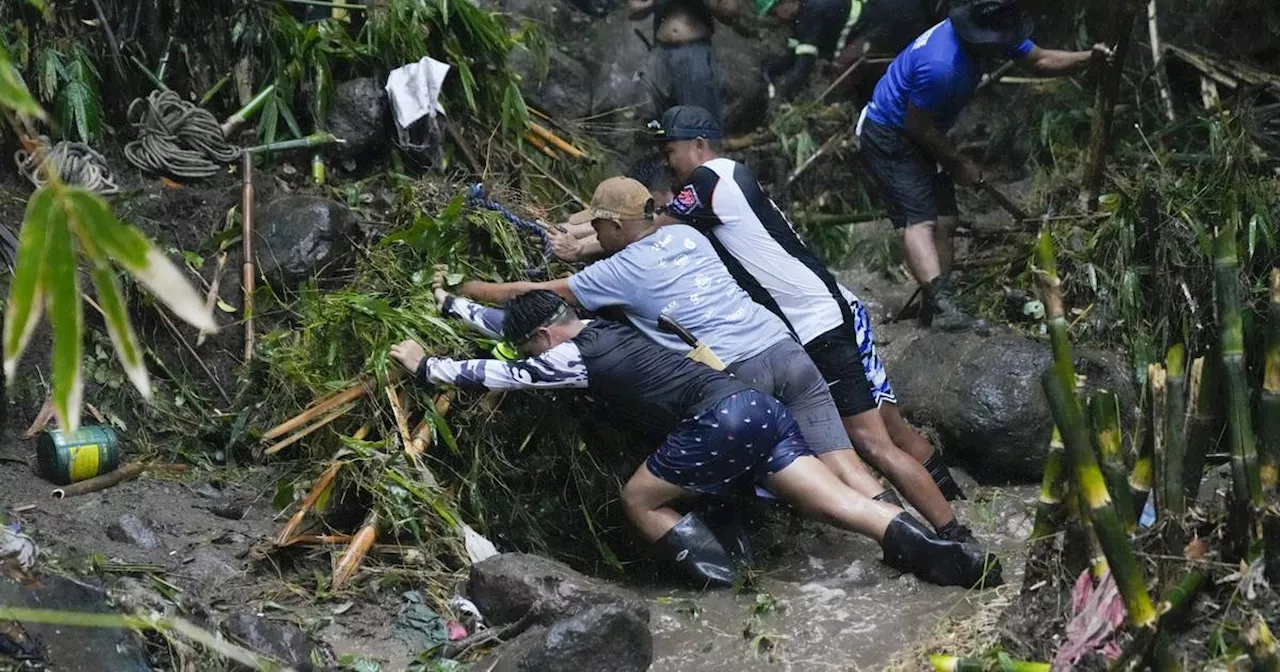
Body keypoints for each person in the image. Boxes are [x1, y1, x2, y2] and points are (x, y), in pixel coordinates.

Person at [390, 290, 1000, 588]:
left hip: (718, 421)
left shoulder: (565, 357)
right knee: (839, 504)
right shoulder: (600, 326)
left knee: (640, 499)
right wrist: (451, 302)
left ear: (548, 336)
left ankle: (721, 588)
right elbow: (509, 327)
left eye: (533, 344)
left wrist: (425, 367)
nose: (531, 352)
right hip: (755, 407)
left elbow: (502, 373)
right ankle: (946, 555)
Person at [451, 177, 903, 513]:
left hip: (736, 375)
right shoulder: (688, 235)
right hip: (784, 349)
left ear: (609, 225)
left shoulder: (618, 271)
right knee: (847, 465)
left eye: (599, 227)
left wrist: (468, 287)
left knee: (796, 481)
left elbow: (539, 297)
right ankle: (906, 530)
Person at [651, 105, 975, 545]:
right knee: (882, 434)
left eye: (670, 151)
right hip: (825, 315)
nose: (669, 163)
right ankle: (950, 518)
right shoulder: (729, 183)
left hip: (818, 324)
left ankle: (950, 534)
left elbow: (654, 229)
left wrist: (588, 232)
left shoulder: (713, 176)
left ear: (699, 145)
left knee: (874, 442)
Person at [859, 0, 1113, 330]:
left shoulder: (994, 29)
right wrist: (958, 163)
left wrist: (1089, 58)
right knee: (921, 220)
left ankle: (935, 306)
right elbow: (916, 126)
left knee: (946, 221)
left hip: (923, 129)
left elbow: (1041, 59)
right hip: (890, 133)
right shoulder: (941, 65)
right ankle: (942, 304)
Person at [757, 0, 936, 102]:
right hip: (863, 28)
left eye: (775, 11)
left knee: (843, 67)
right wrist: (772, 69)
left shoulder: (811, 11)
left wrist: (785, 94)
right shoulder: (800, 17)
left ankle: (843, 109)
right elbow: (796, 54)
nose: (777, 18)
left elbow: (804, 63)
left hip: (876, 27)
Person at [629, 0, 742, 125]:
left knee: (700, 124)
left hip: (694, 54)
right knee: (655, 124)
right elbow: (634, 10)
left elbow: (731, 12)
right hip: (659, 54)